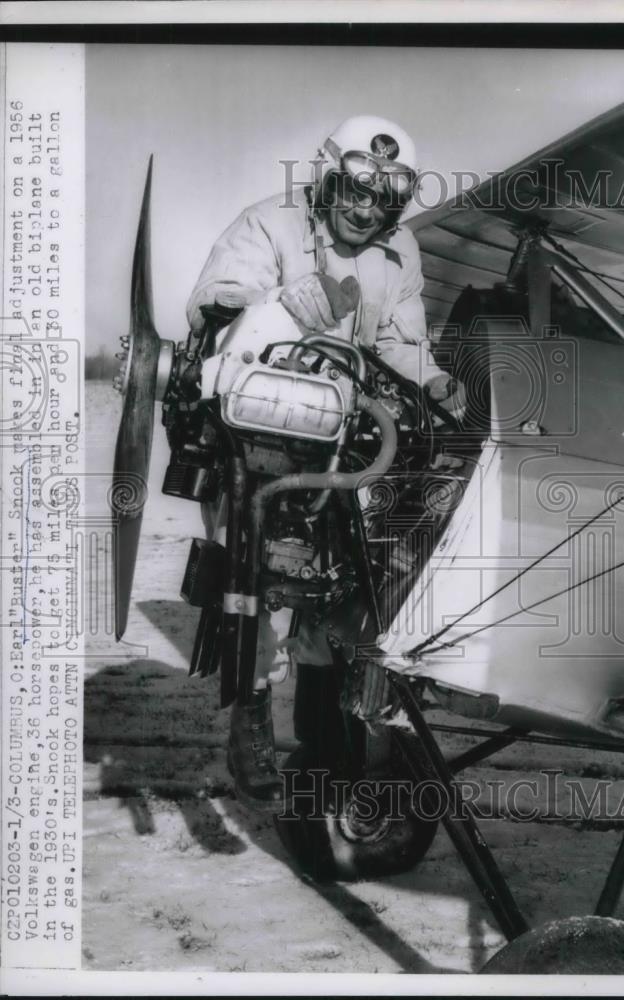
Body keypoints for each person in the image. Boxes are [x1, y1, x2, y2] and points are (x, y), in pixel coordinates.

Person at [186, 115, 462, 807]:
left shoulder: (399, 251)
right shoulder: (267, 224)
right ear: (326, 176)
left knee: (349, 585)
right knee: (267, 579)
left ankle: (331, 724)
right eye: (355, 190)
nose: (367, 210)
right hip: (264, 436)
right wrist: (275, 307)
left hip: (350, 440)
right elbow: (216, 310)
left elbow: (403, 341)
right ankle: (249, 711)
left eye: (384, 201)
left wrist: (431, 381)